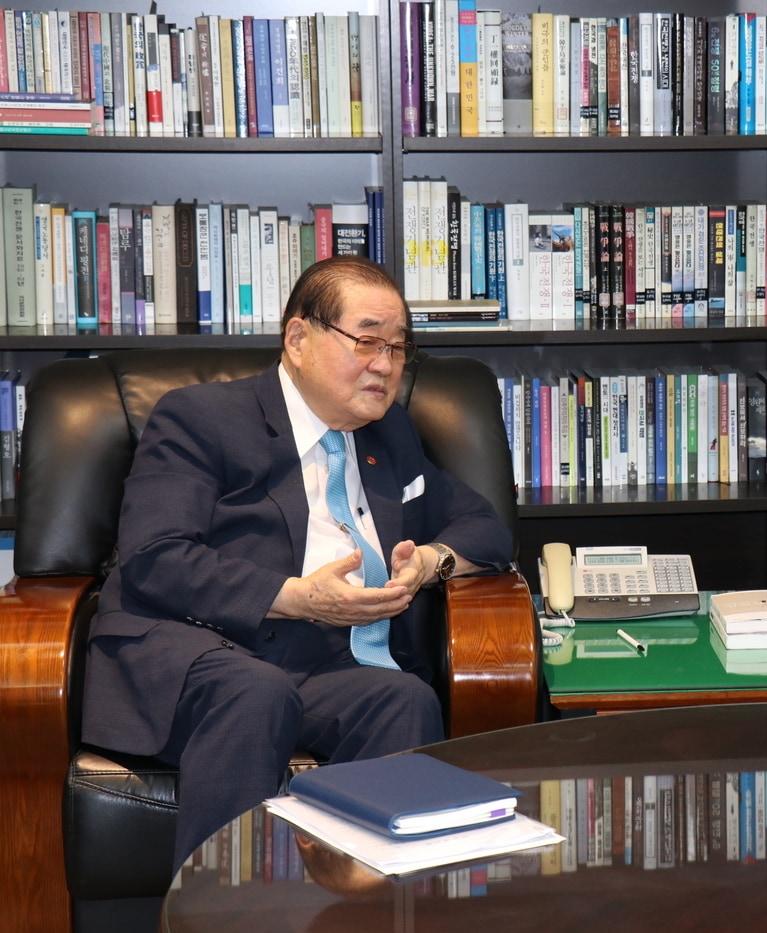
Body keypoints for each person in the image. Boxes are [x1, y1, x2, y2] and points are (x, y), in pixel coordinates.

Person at [81, 255, 513, 870]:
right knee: (257, 693)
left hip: (316, 666)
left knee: (404, 699)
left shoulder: (388, 435)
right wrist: (295, 597)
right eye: (367, 341)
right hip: (194, 652)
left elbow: (485, 525)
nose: (386, 365)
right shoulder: (200, 418)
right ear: (298, 339)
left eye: (398, 348)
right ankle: (220, 914)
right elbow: (157, 559)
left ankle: (380, 910)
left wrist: (432, 563)